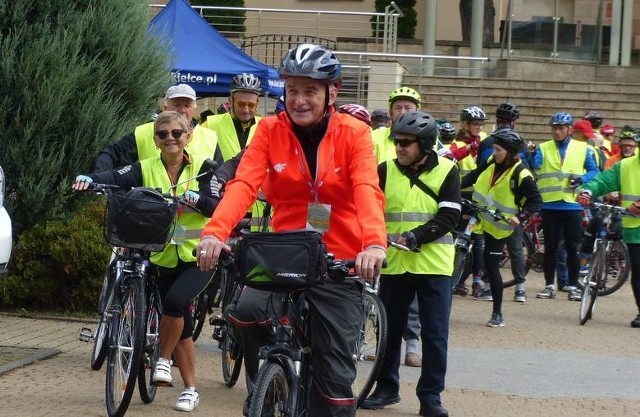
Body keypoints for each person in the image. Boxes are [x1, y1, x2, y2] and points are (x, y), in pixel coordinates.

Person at [196, 43, 387, 417]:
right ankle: (269, 386)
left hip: (339, 258)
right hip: (285, 252)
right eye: (292, 90)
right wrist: (214, 232)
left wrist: (374, 245)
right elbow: (244, 184)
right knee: (245, 312)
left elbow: (367, 188)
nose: (299, 100)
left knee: (332, 378)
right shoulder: (269, 130)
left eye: (310, 91)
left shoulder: (354, 133)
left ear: (333, 91)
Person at [73, 111, 218, 412]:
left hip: (196, 255)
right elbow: (115, 178)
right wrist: (90, 179)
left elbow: (217, 205)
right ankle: (191, 389)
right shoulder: (145, 167)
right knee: (182, 324)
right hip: (161, 255)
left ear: (187, 135)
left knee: (176, 303)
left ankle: (162, 361)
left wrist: (198, 200)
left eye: (176, 133)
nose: (170, 139)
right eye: (163, 134)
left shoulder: (204, 169)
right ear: (155, 140)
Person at [361, 111, 460, 417]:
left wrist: (416, 236)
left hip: (434, 266)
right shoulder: (385, 170)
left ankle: (430, 397)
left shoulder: (447, 170)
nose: (399, 147)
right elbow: (368, 208)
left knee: (434, 334)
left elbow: (449, 216)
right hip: (394, 264)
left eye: (406, 143)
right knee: (388, 332)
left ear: (426, 145)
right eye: (396, 141)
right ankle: (386, 389)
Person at [371, 86, 423, 368]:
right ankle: (374, 341)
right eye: (398, 108)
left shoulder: (427, 138)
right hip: (379, 222)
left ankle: (412, 342)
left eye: (409, 108)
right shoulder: (376, 137)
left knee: (411, 293)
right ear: (390, 111)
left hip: (413, 232)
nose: (403, 112)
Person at [460, 102, 531, 302]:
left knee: (481, 244)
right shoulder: (520, 143)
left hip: (486, 200)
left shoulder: (487, 142)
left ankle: (483, 283)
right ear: (514, 123)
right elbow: (530, 169)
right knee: (515, 246)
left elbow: (478, 170)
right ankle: (520, 288)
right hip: (510, 202)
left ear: (497, 120)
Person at [471, 129, 541, 326]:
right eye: (493, 149)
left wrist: (521, 216)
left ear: (510, 152)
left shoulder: (522, 174)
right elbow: (474, 176)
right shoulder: (493, 163)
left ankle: (497, 313)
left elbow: (536, 201)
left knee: (492, 266)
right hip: (479, 216)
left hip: (499, 226)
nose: (494, 153)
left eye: (498, 150)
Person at [528, 112, 599, 301]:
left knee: (572, 248)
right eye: (554, 128)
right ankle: (549, 285)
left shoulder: (582, 148)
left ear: (569, 130)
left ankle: (573, 286)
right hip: (550, 204)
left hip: (573, 205)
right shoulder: (543, 148)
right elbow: (534, 166)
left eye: (561, 128)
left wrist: (582, 179)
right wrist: (531, 155)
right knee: (550, 248)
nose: (557, 132)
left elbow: (594, 171)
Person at [577, 132, 640, 328]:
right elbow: (603, 181)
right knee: (638, 271)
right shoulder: (626, 165)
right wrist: (588, 190)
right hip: (634, 228)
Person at [91, 84, 222, 172]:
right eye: (176, 105)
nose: (182, 110)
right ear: (165, 108)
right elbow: (111, 154)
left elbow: (220, 174)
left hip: (195, 212)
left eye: (187, 105)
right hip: (150, 211)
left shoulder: (209, 138)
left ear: (194, 109)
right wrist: (98, 179)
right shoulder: (143, 132)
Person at [448, 106, 488, 298]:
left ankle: (477, 281)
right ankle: (458, 279)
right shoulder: (456, 143)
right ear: (465, 124)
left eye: (481, 124)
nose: (479, 127)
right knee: (458, 239)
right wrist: (468, 149)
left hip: (479, 198)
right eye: (475, 124)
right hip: (461, 197)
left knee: (478, 241)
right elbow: (450, 157)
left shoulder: (486, 141)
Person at [202, 73, 263, 161]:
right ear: (230, 101)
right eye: (241, 104)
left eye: (251, 105)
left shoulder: (265, 126)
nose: (246, 110)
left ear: (257, 104)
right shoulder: (210, 124)